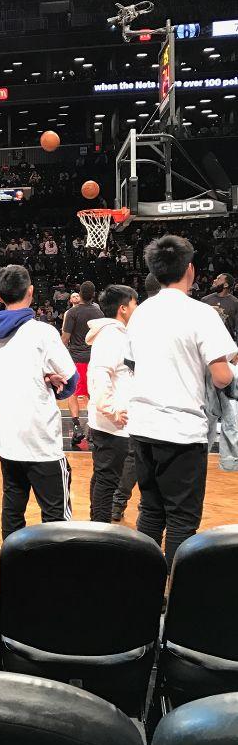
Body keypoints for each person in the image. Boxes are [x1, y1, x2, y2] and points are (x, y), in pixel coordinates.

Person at [127, 235, 237, 569]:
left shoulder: (141, 313)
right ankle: (175, 596)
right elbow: (221, 377)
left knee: (151, 510)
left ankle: (143, 587)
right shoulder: (200, 313)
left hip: (142, 426)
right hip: (180, 428)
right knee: (182, 518)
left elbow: (132, 364)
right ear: (189, 269)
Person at [0, 265, 78, 538]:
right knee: (56, 517)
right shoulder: (42, 332)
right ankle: (53, 577)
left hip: (6, 438)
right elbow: (70, 382)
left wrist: (42, 375)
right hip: (39, 440)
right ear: (31, 291)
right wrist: (52, 383)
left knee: (12, 510)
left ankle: (13, 572)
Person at [111, 272, 161, 522]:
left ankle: (120, 503)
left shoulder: (136, 320)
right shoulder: (182, 313)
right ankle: (148, 506)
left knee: (136, 454)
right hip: (167, 399)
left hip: (140, 394)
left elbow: (129, 362)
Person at [85, 285, 138, 523]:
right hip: (112, 422)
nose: (137, 308)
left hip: (111, 420)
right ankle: (102, 533)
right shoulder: (111, 336)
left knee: (103, 477)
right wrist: (112, 410)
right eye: (135, 304)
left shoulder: (116, 334)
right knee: (108, 480)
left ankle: (97, 525)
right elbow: (100, 375)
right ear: (123, 309)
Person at [61, 280, 103, 446]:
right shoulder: (99, 313)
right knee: (93, 394)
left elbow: (65, 338)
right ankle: (92, 427)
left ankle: (77, 426)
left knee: (72, 392)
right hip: (94, 359)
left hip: (76, 358)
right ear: (93, 294)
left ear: (80, 294)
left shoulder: (72, 312)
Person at [202, 272, 238, 341]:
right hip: (207, 340)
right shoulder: (205, 300)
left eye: (218, 279)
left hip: (227, 343)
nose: (214, 280)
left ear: (226, 285)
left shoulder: (235, 302)